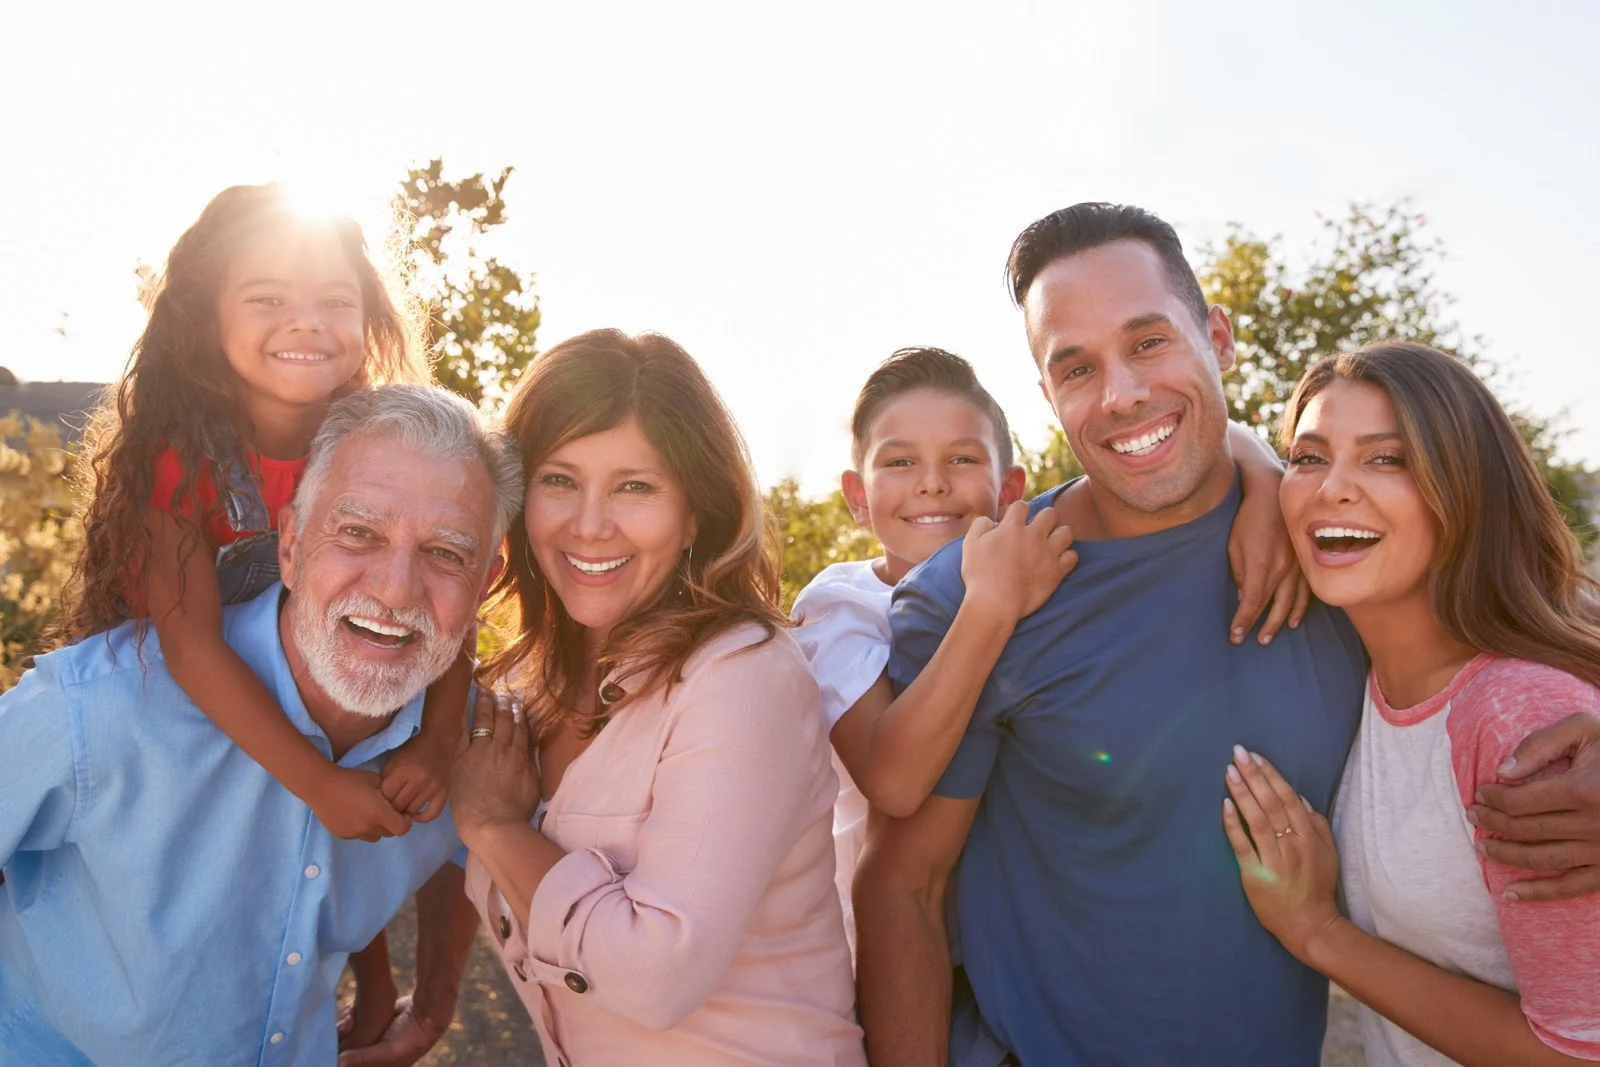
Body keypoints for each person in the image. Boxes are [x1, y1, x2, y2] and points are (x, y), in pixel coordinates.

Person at [853, 202, 1372, 1067]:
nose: (1121, 393)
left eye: (1148, 342)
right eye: (1076, 366)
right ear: (1048, 394)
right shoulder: (975, 599)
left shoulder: (1337, 554)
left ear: (1218, 337)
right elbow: (904, 885)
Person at [0, 385, 524, 1066]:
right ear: (290, 545)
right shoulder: (97, 709)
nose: (396, 589)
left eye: (445, 553)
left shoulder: (478, 748)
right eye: (359, 532)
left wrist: (432, 1000)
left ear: (485, 583)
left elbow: (457, 852)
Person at [790, 345, 1303, 954]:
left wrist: (1263, 474)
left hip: (1022, 930)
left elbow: (1197, 449)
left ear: (1011, 491)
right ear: (856, 495)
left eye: (962, 458)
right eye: (900, 462)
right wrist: (989, 607)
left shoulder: (1037, 547)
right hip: (883, 949)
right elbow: (894, 782)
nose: (932, 482)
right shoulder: (842, 608)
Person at [452, 329, 866, 1066]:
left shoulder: (743, 676)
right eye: (559, 479)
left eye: (633, 486)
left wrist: (496, 825)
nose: (589, 522)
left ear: (694, 513)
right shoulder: (519, 693)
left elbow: (654, 975)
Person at [1222, 342, 1600, 1066]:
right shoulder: (1358, 661)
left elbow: (1575, 1054)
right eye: (1308, 458)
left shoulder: (1519, 716)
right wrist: (1250, 459)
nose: (1333, 486)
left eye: (1385, 458)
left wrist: (1316, 932)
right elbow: (1229, 438)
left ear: (1466, 489)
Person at [62, 182, 471, 844]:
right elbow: (192, 648)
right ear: (208, 317)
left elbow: (446, 606)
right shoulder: (176, 458)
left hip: (322, 706)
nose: (306, 320)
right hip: (177, 721)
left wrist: (439, 741)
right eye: (267, 299)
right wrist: (319, 781)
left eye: (335, 301)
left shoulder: (382, 452)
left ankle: (379, 949)